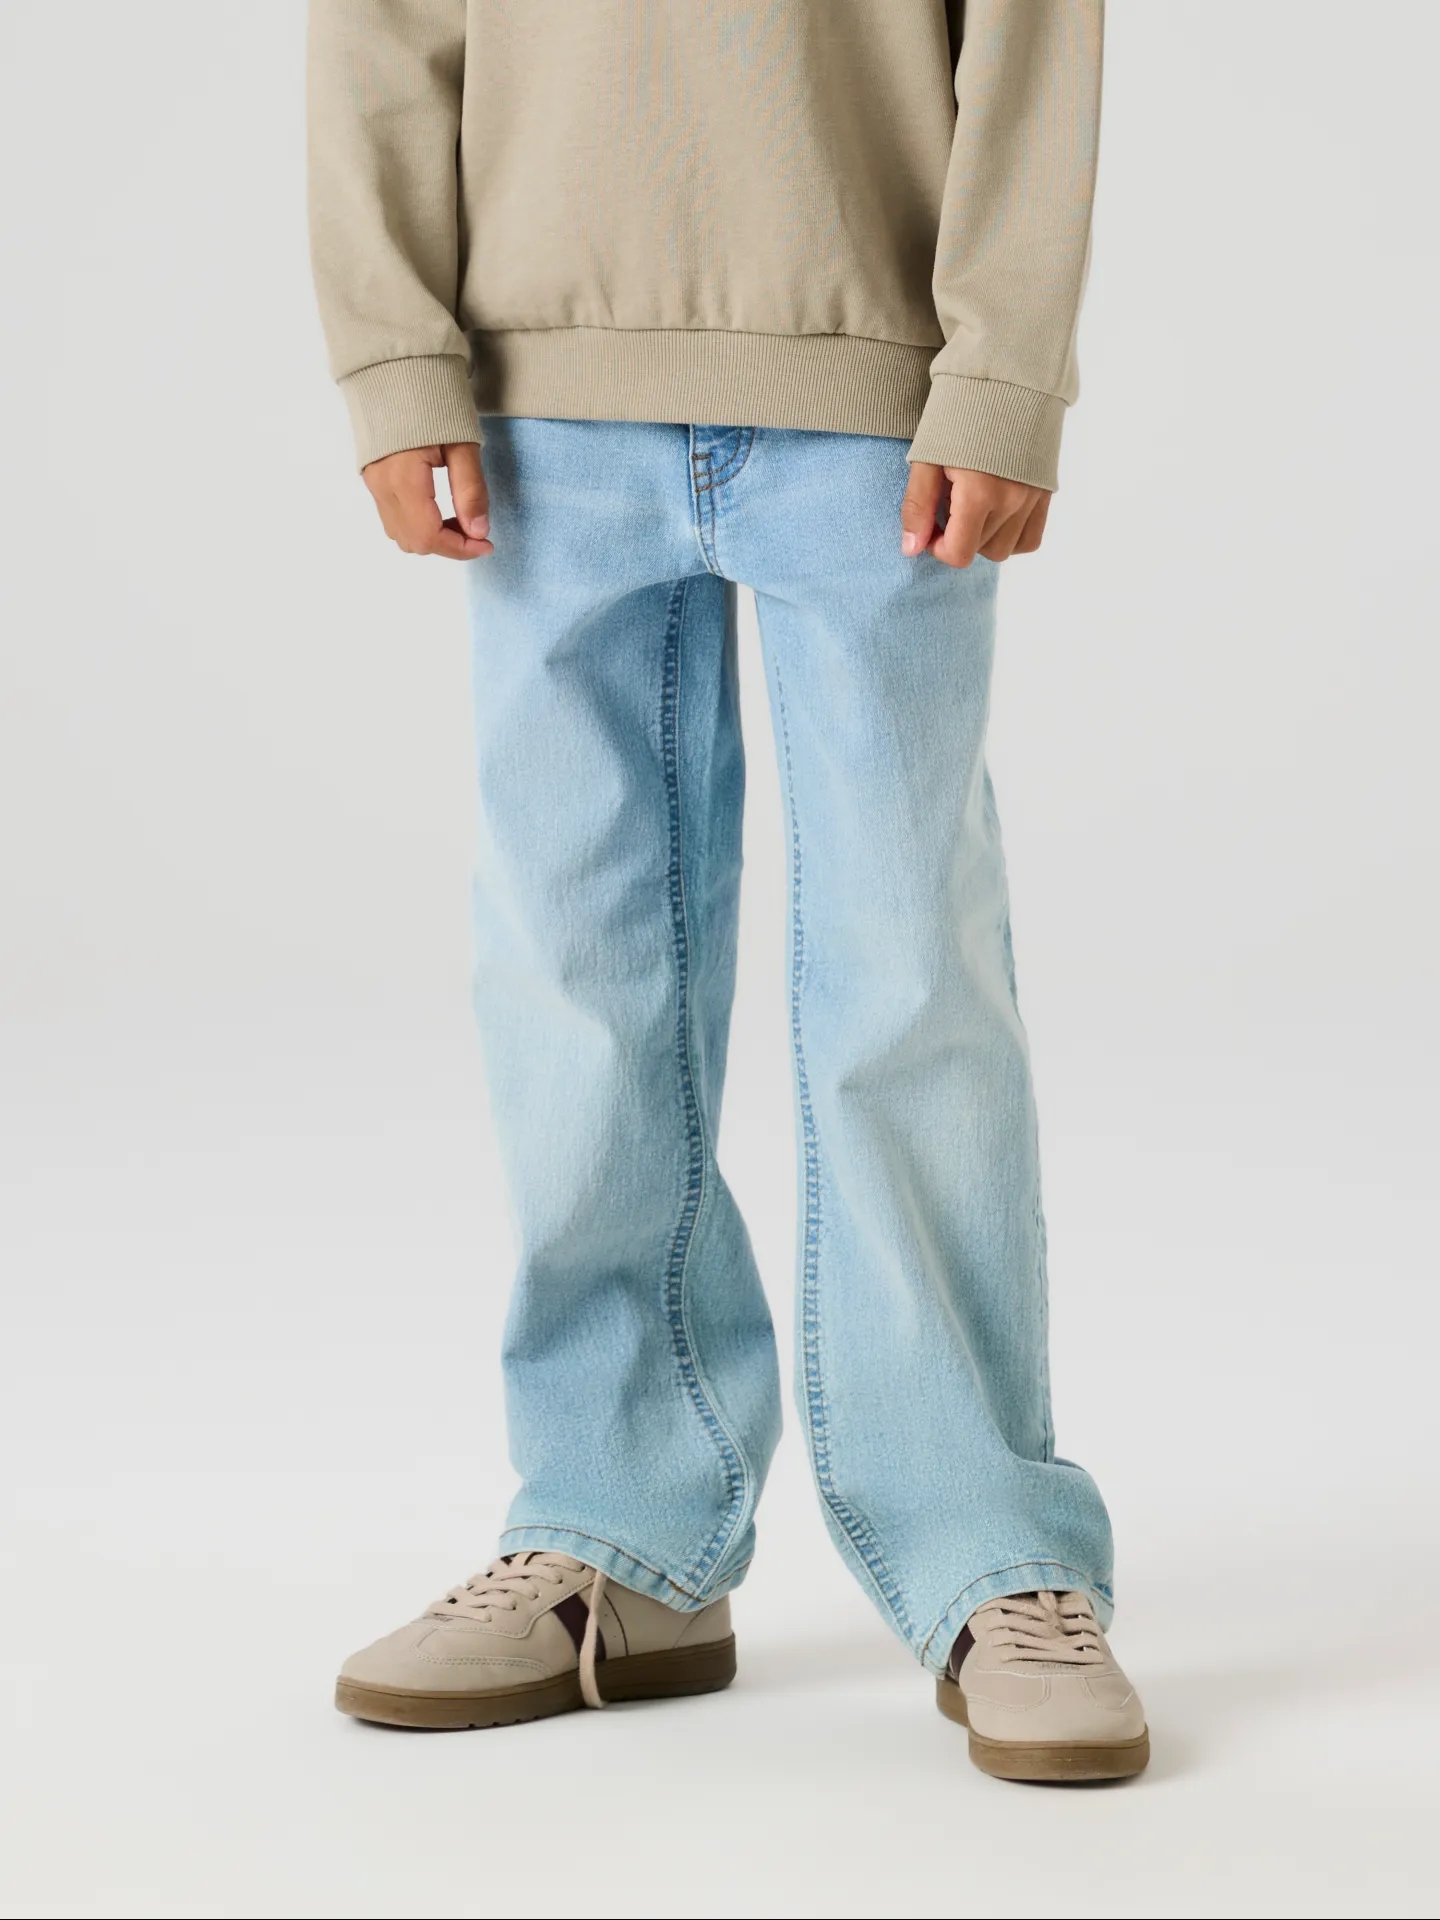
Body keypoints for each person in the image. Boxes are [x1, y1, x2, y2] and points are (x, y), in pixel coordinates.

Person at [307, 0, 1147, 1783]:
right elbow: (378, 24)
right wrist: (392, 350)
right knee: (574, 980)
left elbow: (1035, 33)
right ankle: (620, 1526)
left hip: (879, 380)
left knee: (907, 972)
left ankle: (990, 1547)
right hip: (540, 399)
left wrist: (1009, 365)